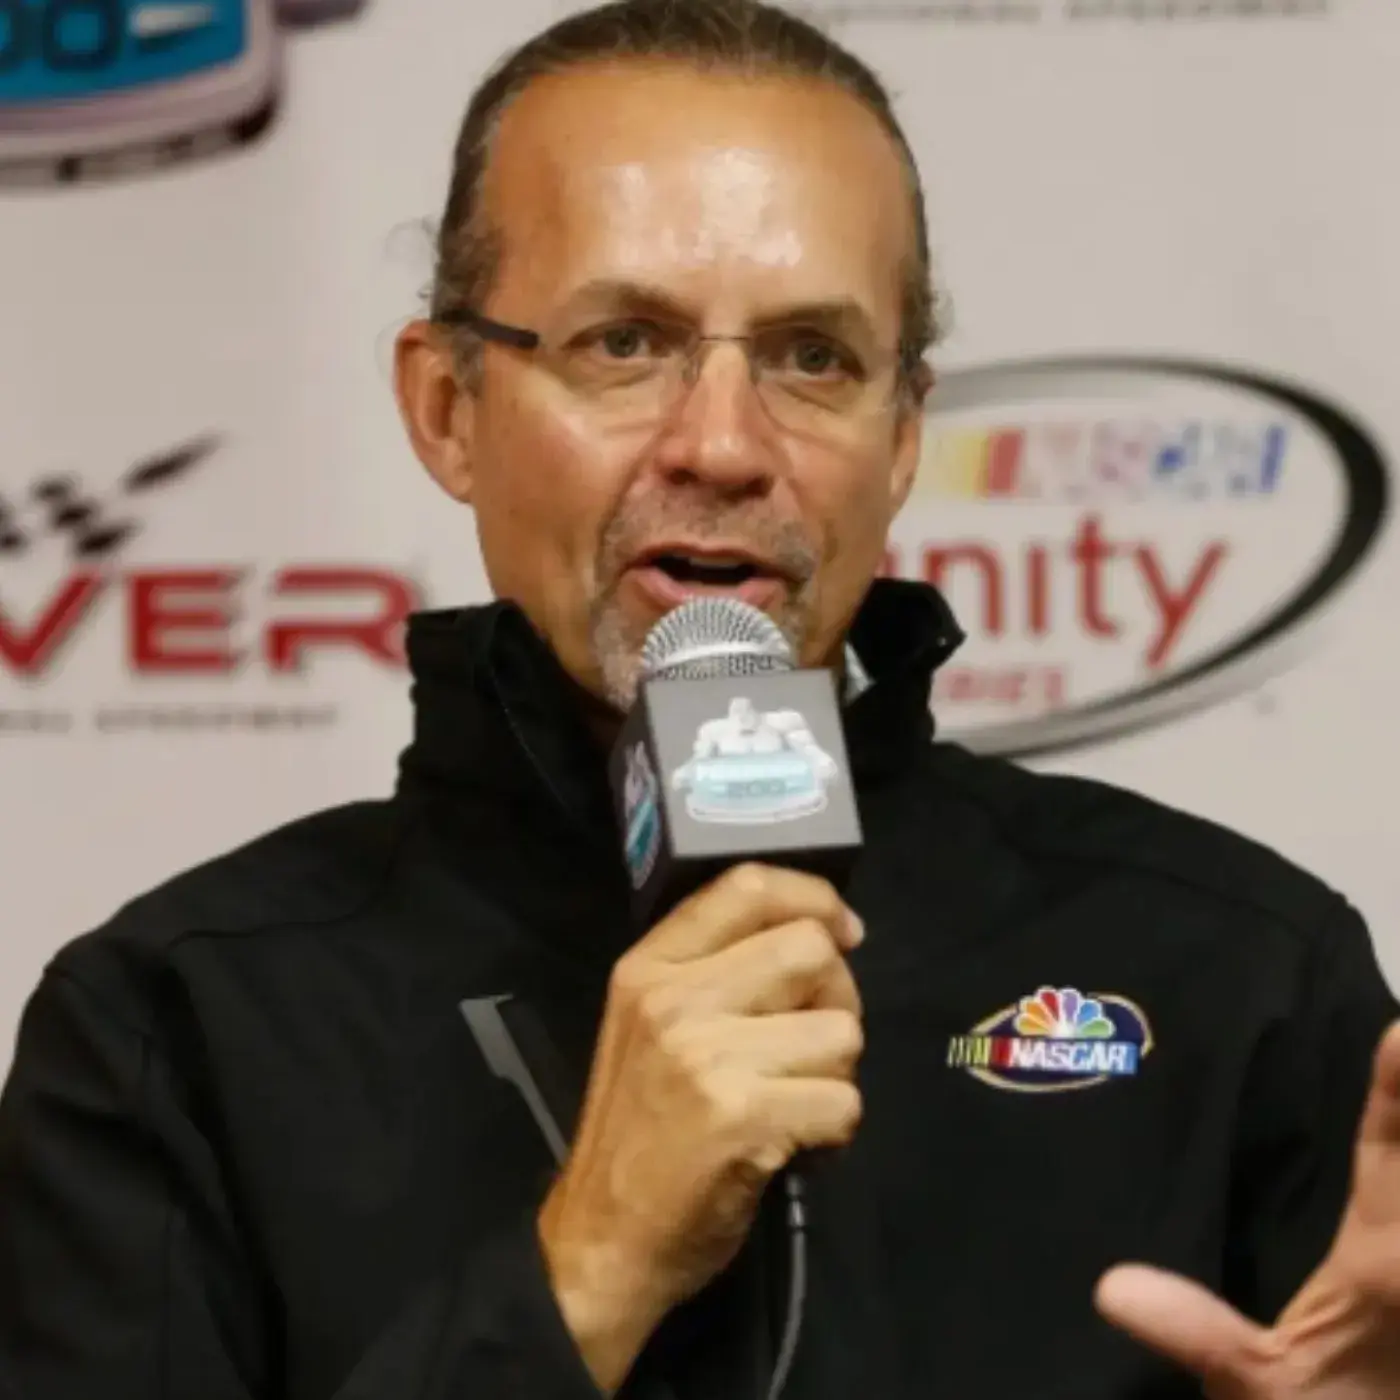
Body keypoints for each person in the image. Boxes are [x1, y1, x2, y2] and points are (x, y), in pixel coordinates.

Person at [3, 2, 1400, 1398]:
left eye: (812, 358)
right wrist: (593, 1263)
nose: (723, 446)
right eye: (625, 342)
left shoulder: (1245, 975)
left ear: (901, 440)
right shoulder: (172, 1030)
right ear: (448, 407)